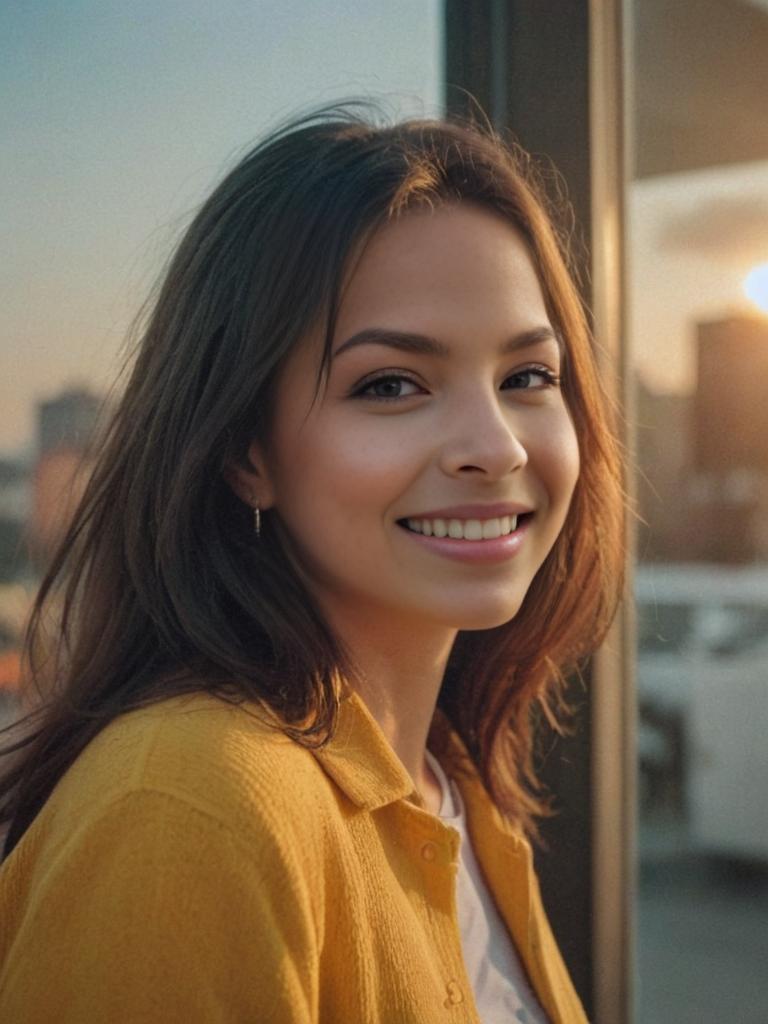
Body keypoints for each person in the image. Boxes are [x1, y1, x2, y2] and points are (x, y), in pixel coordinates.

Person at [0, 104, 623, 1023]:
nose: (495, 448)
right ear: (245, 453)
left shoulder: (454, 790)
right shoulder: (190, 805)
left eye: (527, 376)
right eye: (391, 385)